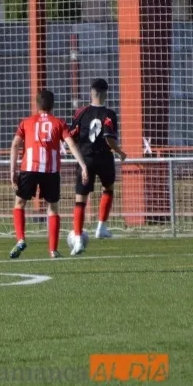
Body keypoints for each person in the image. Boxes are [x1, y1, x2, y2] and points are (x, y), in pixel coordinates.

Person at [9, 90, 90, 259]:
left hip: (29, 168)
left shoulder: (26, 122)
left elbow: (15, 145)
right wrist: (83, 166)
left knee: (19, 203)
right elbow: (71, 145)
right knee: (52, 208)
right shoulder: (59, 123)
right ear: (53, 105)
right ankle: (53, 250)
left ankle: (21, 239)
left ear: (36, 104)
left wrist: (12, 170)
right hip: (50, 170)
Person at [68, 78, 127, 255]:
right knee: (108, 188)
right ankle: (101, 226)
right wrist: (119, 151)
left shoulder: (81, 112)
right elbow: (109, 137)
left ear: (91, 93)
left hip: (85, 158)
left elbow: (72, 135)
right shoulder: (109, 114)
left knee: (81, 199)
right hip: (104, 157)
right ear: (105, 93)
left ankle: (78, 239)